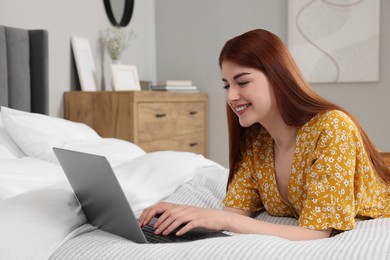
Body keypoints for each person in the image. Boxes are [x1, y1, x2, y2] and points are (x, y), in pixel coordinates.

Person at [139, 29, 390, 240]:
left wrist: (223, 219)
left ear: (278, 78)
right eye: (226, 85)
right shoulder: (256, 139)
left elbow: (316, 233)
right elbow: (235, 212)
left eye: (243, 82)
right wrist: (183, 213)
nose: (231, 96)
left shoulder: (332, 128)